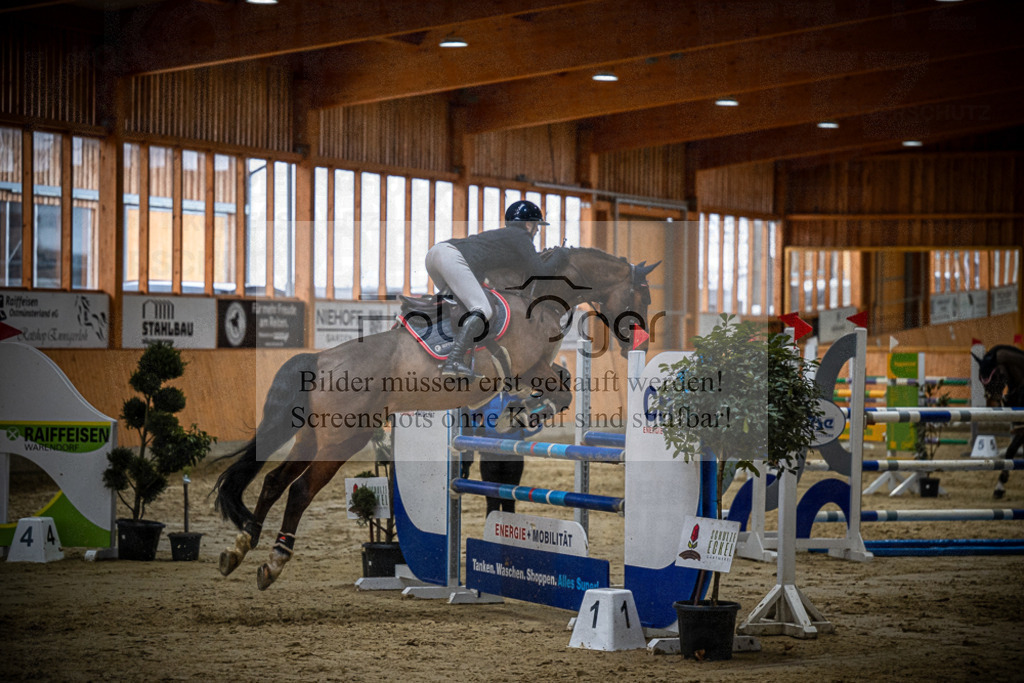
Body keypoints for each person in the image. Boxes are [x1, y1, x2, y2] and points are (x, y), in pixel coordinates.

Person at [424, 199, 567, 379]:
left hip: (435, 255)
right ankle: (453, 359)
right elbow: (540, 271)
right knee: (483, 308)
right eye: (537, 225)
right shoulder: (520, 236)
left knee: (461, 306)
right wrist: (560, 255)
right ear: (528, 224)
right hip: (450, 257)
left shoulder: (505, 239)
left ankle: (438, 346)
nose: (537, 230)